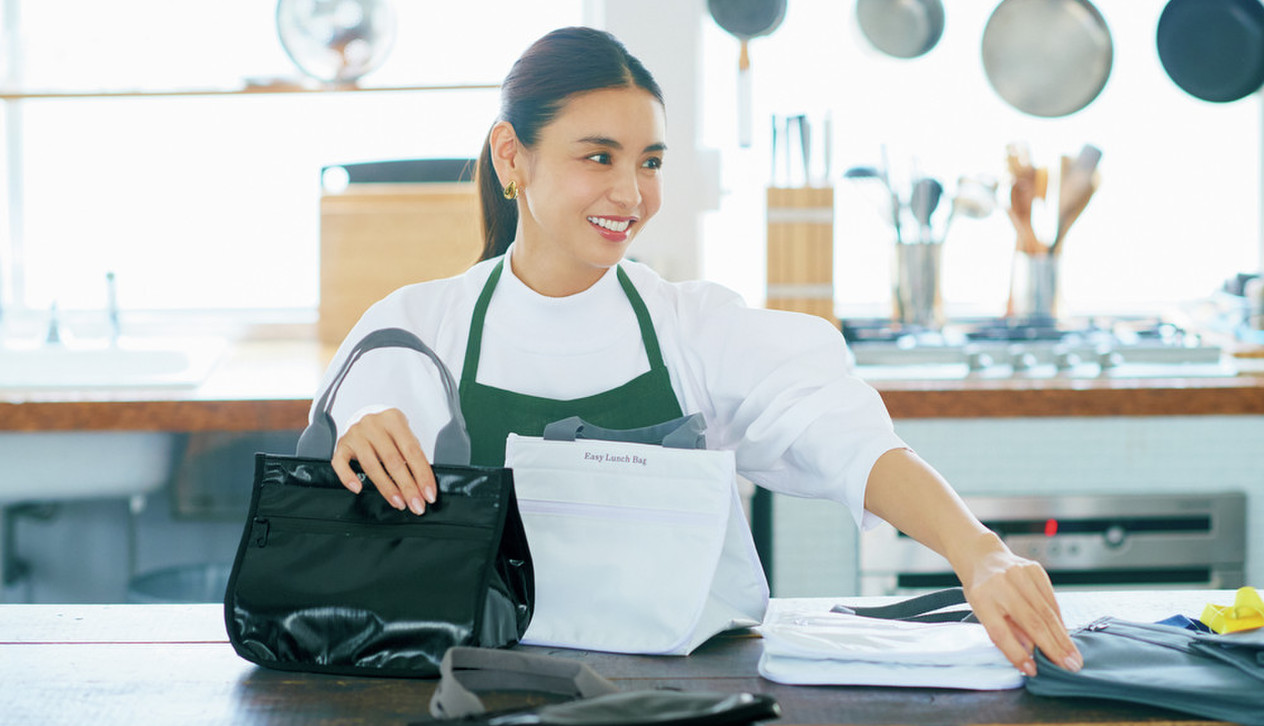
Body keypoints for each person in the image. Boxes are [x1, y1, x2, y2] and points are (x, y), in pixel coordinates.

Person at [313, 26, 1083, 678]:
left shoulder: (694, 329)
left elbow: (848, 440)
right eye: (599, 157)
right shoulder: (416, 331)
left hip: (683, 694)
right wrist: (356, 443)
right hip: (480, 692)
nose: (632, 194)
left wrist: (979, 552)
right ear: (512, 156)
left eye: (649, 162)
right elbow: (338, 507)